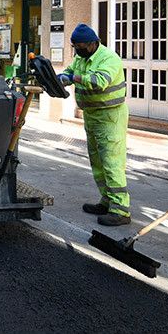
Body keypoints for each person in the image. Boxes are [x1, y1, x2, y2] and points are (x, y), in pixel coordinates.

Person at [57, 23, 131, 226]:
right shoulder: (81, 57)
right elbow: (71, 70)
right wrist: (62, 77)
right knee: (98, 163)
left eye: (80, 46)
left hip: (110, 117)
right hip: (91, 115)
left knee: (112, 163)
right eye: (75, 46)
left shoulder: (109, 58)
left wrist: (73, 78)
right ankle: (106, 200)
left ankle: (120, 210)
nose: (77, 50)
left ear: (92, 43)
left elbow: (99, 81)